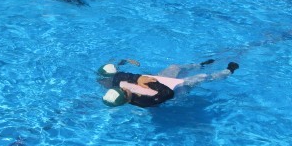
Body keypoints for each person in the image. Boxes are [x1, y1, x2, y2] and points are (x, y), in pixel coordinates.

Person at [99, 58, 239, 108]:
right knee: (200, 78)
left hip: (160, 80)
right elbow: (167, 93)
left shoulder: (118, 85)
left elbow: (119, 76)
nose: (124, 88)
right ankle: (228, 71)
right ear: (125, 99)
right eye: (124, 92)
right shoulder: (143, 102)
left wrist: (138, 79)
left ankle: (200, 64)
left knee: (174, 67)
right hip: (175, 91)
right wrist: (151, 83)